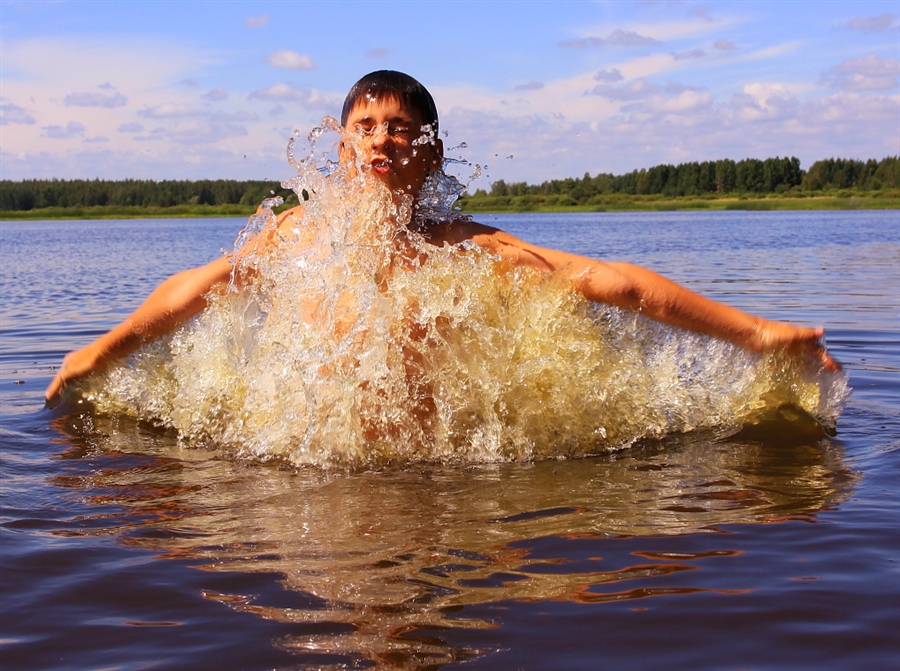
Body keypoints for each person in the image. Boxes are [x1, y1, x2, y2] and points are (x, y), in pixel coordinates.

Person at [45, 70, 838, 407]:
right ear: (342, 147)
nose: (381, 139)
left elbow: (612, 280)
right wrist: (97, 353)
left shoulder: (463, 248)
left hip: (432, 474)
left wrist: (756, 332)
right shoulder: (299, 238)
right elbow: (197, 287)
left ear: (430, 152)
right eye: (365, 126)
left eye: (400, 127)